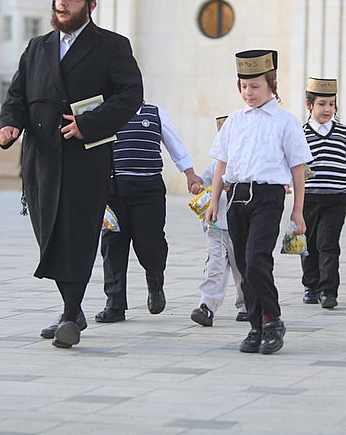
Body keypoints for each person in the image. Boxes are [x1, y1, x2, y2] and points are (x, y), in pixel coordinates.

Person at [0, 0, 143, 349]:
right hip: (40, 159)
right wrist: (8, 124)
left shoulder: (112, 46)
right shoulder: (37, 47)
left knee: (76, 233)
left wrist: (89, 123)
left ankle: (70, 315)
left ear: (90, 4)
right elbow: (16, 96)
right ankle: (72, 308)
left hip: (84, 159)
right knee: (50, 235)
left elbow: (131, 96)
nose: (61, 3)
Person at [204, 49, 312, 354]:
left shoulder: (285, 122)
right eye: (243, 86)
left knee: (256, 259)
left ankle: (272, 319)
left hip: (268, 196)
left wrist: (298, 212)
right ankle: (255, 325)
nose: (248, 92)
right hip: (235, 196)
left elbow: (298, 170)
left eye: (255, 86)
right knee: (241, 262)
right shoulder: (234, 121)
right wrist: (214, 202)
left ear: (271, 84)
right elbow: (221, 164)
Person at [96, 103, 203, 323]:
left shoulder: (155, 114)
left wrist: (190, 174)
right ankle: (114, 304)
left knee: (150, 243)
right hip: (113, 190)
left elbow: (176, 145)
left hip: (148, 189)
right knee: (113, 246)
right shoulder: (104, 113)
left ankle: (155, 281)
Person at [300, 79, 346, 309]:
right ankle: (311, 285)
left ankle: (328, 291)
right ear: (309, 105)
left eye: (331, 104)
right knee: (309, 243)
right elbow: (290, 165)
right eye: (322, 104)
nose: (327, 109)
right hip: (308, 198)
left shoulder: (343, 133)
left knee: (327, 243)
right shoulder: (300, 133)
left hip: (336, 198)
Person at [190, 116, 248, 326]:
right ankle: (207, 306)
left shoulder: (245, 165)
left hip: (239, 225)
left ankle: (246, 305)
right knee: (214, 265)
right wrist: (197, 186)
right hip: (215, 225)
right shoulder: (214, 167)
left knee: (241, 266)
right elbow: (202, 185)